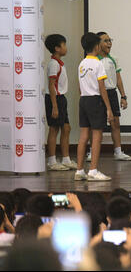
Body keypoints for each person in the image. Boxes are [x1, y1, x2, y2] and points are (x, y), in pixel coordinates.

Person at [86, 32, 131, 162]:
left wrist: (123, 96)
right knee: (95, 126)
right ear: (98, 44)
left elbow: (118, 79)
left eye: (110, 40)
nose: (109, 43)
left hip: (111, 93)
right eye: (105, 41)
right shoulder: (93, 61)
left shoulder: (114, 59)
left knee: (115, 124)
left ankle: (118, 152)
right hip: (98, 94)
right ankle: (92, 152)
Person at [74, 32, 113, 181]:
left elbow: (79, 85)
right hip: (95, 100)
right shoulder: (98, 63)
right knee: (97, 136)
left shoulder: (82, 63)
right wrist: (108, 108)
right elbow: (102, 87)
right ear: (97, 46)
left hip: (83, 100)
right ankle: (93, 170)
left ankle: (79, 170)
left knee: (84, 135)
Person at [44, 34, 77, 171]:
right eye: (64, 45)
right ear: (57, 48)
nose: (66, 48)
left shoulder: (59, 63)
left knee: (66, 128)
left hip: (61, 98)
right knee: (54, 129)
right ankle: (51, 161)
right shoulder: (53, 64)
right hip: (54, 99)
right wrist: (55, 106)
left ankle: (66, 159)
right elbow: (51, 86)